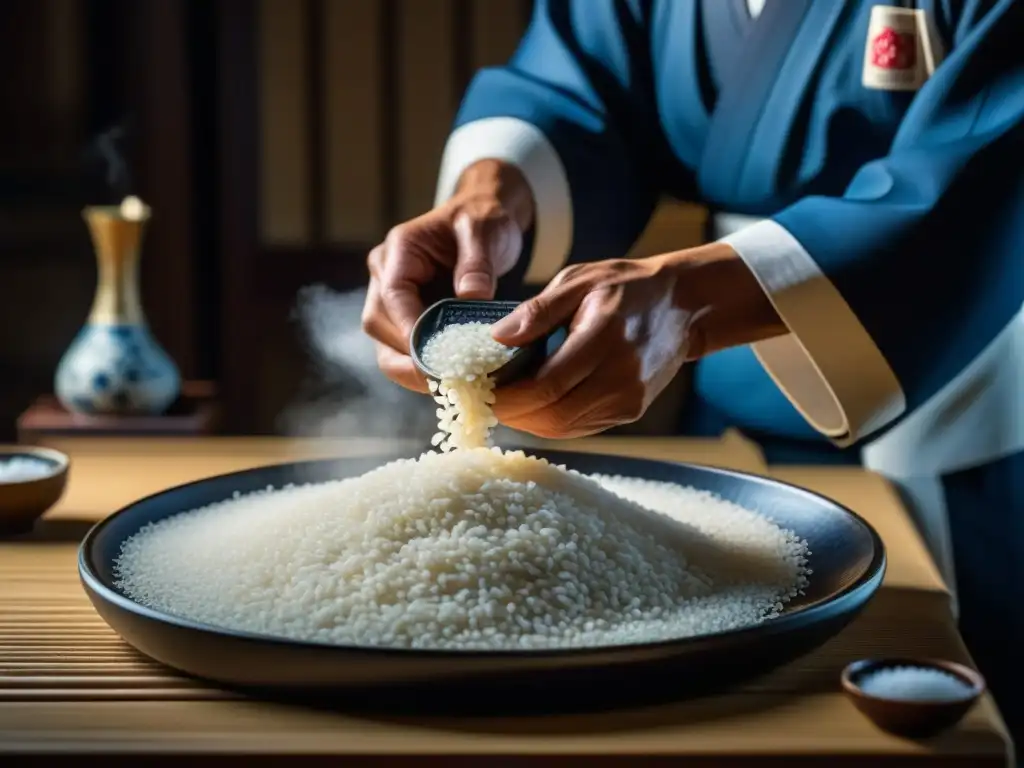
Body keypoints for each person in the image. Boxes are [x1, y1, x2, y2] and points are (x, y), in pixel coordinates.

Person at [361, 0, 1024, 743]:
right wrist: (489, 196)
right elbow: (578, 80)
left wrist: (693, 298)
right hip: (723, 408)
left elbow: (989, 176)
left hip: (946, 395)